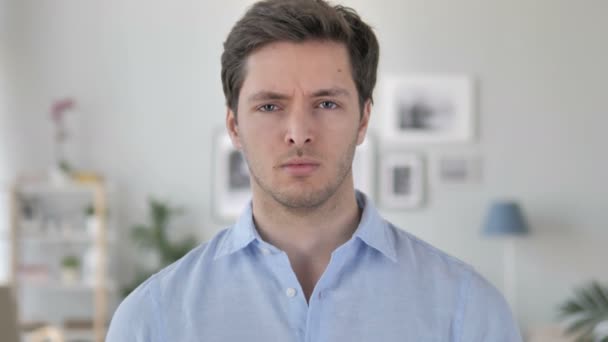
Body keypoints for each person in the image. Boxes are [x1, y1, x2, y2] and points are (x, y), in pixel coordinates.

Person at [106, 0, 523, 341]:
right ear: (234, 125)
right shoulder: (151, 320)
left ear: (362, 121)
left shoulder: (467, 312)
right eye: (270, 106)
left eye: (326, 104)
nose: (299, 133)